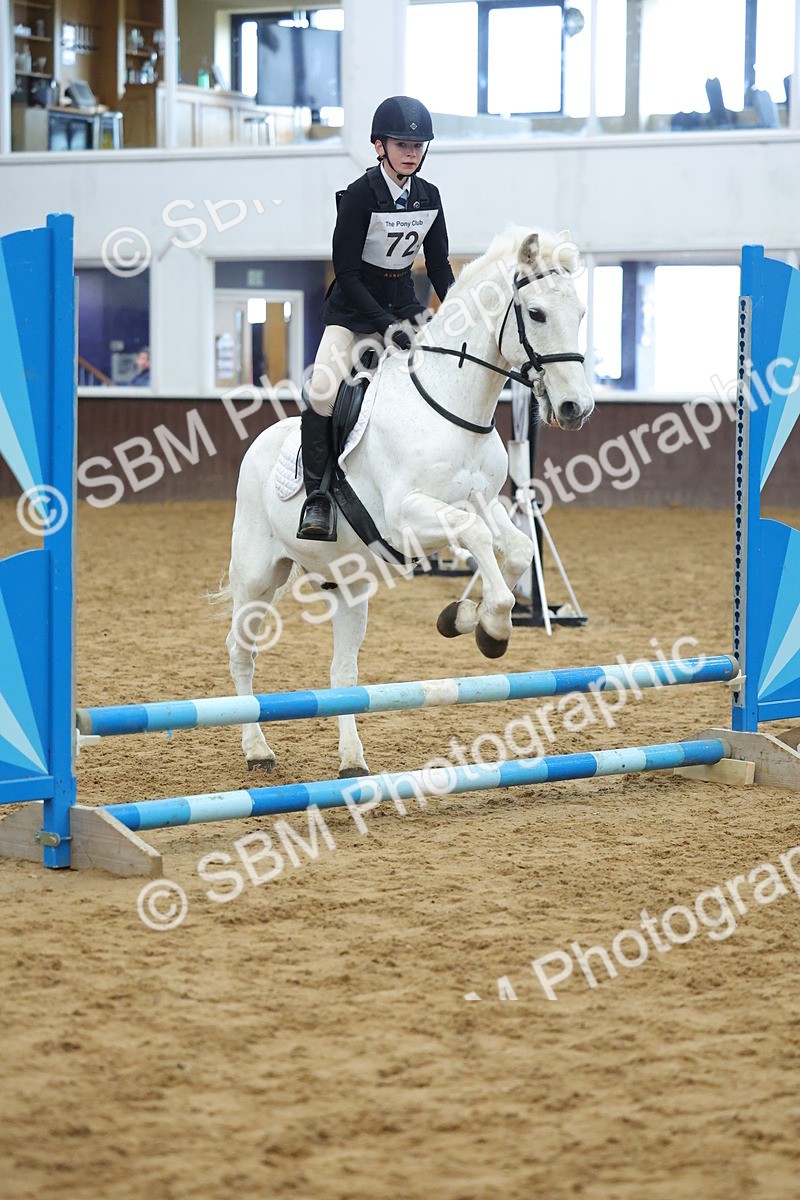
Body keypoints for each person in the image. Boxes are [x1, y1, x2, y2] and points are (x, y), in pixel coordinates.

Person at [297, 95, 455, 541]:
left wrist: (459, 311)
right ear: (379, 146)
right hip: (352, 310)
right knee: (324, 391)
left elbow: (439, 266)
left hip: (403, 304)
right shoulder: (360, 195)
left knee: (439, 376)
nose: (411, 151)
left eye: (419, 144)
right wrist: (384, 326)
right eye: (402, 143)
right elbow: (346, 272)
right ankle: (318, 498)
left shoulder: (430, 196)